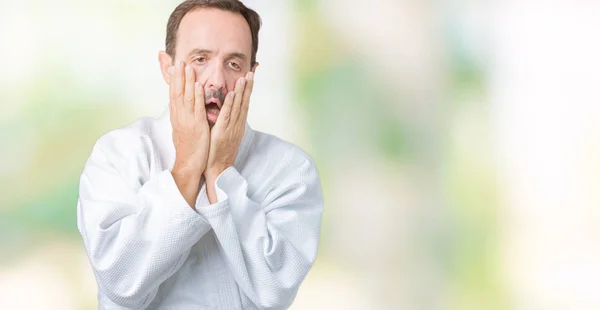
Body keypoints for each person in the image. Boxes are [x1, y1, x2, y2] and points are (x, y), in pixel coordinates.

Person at [76, 1, 323, 309]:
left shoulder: (290, 169)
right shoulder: (118, 154)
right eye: (200, 59)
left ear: (252, 73)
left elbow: (273, 291)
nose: (216, 82)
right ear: (167, 68)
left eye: (234, 64)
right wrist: (187, 168)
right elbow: (122, 282)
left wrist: (220, 175)